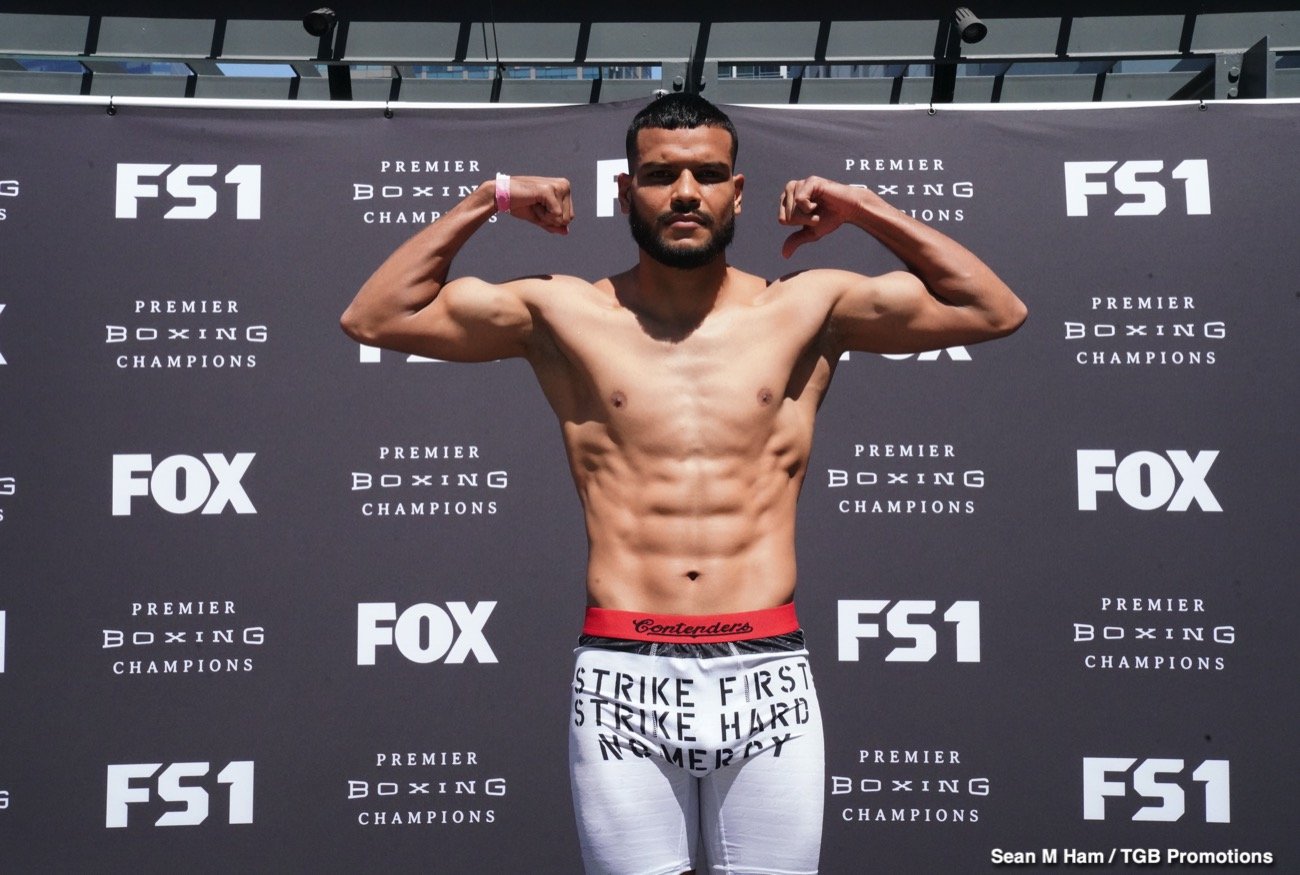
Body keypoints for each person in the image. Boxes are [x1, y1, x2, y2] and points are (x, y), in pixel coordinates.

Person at [341, 94, 1026, 875]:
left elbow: (994, 308)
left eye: (708, 173)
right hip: (622, 675)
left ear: (738, 191)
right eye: (661, 174)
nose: (686, 193)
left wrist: (862, 207)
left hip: (768, 673)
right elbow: (375, 316)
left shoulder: (808, 306)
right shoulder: (562, 311)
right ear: (625, 190)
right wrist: (487, 200)